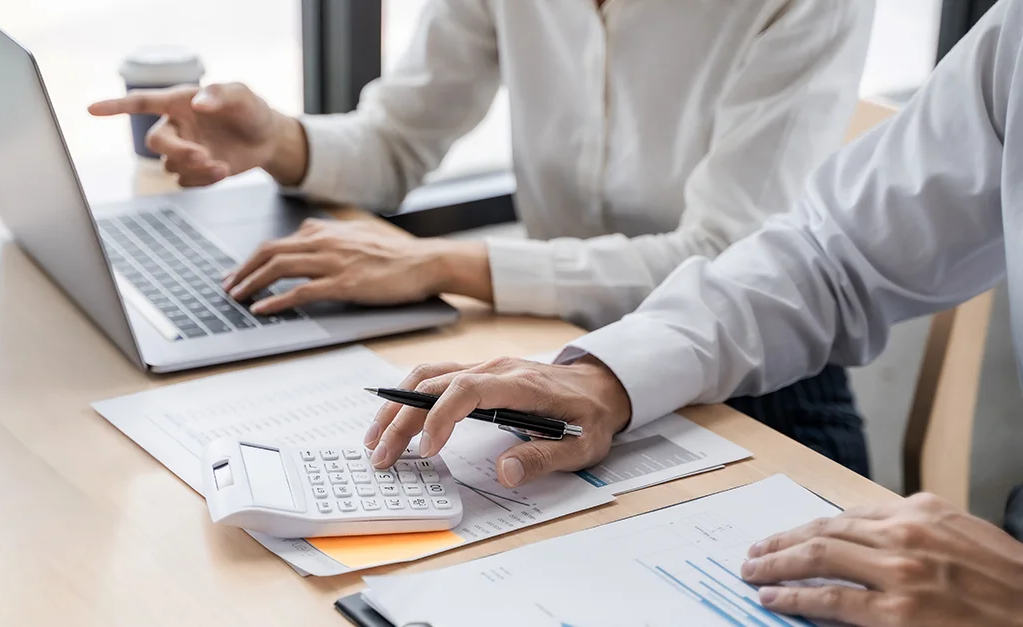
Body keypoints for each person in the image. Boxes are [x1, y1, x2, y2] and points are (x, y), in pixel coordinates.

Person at [357, 1, 1023, 624]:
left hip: (779, 400)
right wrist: (607, 376)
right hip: (660, 356)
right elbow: (829, 257)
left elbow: (726, 242)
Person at [90, 1, 875, 473]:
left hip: (761, 394)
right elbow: (397, 139)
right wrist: (278, 139)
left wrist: (440, 262)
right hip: (560, 360)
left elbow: (724, 258)